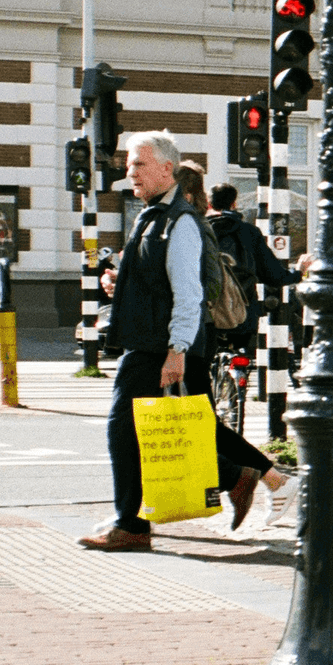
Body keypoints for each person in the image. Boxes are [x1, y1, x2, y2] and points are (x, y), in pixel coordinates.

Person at [85, 133, 252, 552]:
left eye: (139, 164)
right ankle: (232, 476)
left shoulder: (180, 222)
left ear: (166, 169)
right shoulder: (152, 216)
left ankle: (133, 525)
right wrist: (117, 284)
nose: (130, 172)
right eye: (129, 164)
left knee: (123, 432)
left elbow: (189, 292)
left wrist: (177, 350)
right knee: (141, 435)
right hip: (144, 341)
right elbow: (152, 278)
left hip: (157, 347)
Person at [173, 166, 294, 527]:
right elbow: (273, 273)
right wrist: (293, 277)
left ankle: (267, 479)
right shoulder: (245, 230)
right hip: (237, 319)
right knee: (200, 419)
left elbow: (198, 288)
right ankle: (264, 479)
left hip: (194, 334)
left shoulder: (195, 228)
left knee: (199, 420)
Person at [208, 183, 294, 350]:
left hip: (207, 316)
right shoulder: (249, 232)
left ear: (209, 204)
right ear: (234, 204)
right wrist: (298, 273)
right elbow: (273, 275)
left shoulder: (199, 230)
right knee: (241, 351)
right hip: (243, 315)